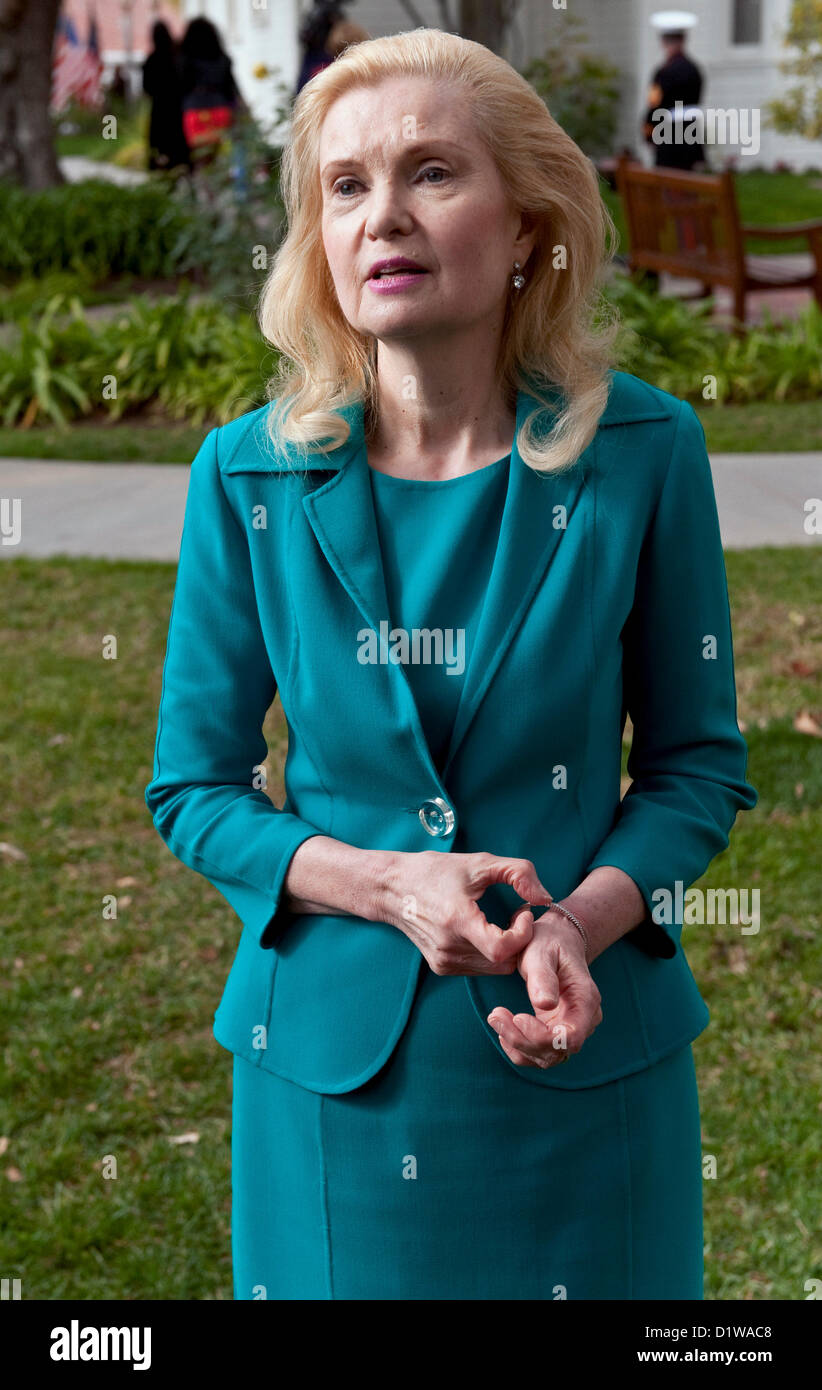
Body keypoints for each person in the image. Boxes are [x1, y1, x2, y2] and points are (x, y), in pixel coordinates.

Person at [145, 28, 758, 1300]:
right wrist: (383, 885)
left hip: (586, 1071)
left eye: (432, 172)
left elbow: (698, 770)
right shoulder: (244, 475)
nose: (385, 216)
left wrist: (578, 927)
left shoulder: (646, 452)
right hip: (336, 1088)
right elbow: (193, 790)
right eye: (348, 184)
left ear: (528, 218)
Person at [178, 16, 247, 166]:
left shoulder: (186, 59)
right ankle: (216, 186)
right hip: (219, 110)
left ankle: (204, 188)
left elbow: (181, 87)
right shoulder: (223, 59)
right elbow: (231, 89)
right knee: (216, 159)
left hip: (194, 112)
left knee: (200, 158)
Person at [644, 10, 706, 169]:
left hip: (668, 135)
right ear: (684, 40)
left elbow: (654, 104)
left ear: (663, 42)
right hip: (691, 133)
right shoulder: (695, 70)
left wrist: (648, 131)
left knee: (669, 181)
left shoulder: (663, 72)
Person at [141, 21, 189, 172]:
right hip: (177, 108)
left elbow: (146, 87)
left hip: (159, 109)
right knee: (178, 145)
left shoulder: (152, 60)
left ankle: (162, 172)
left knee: (160, 147)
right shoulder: (178, 57)